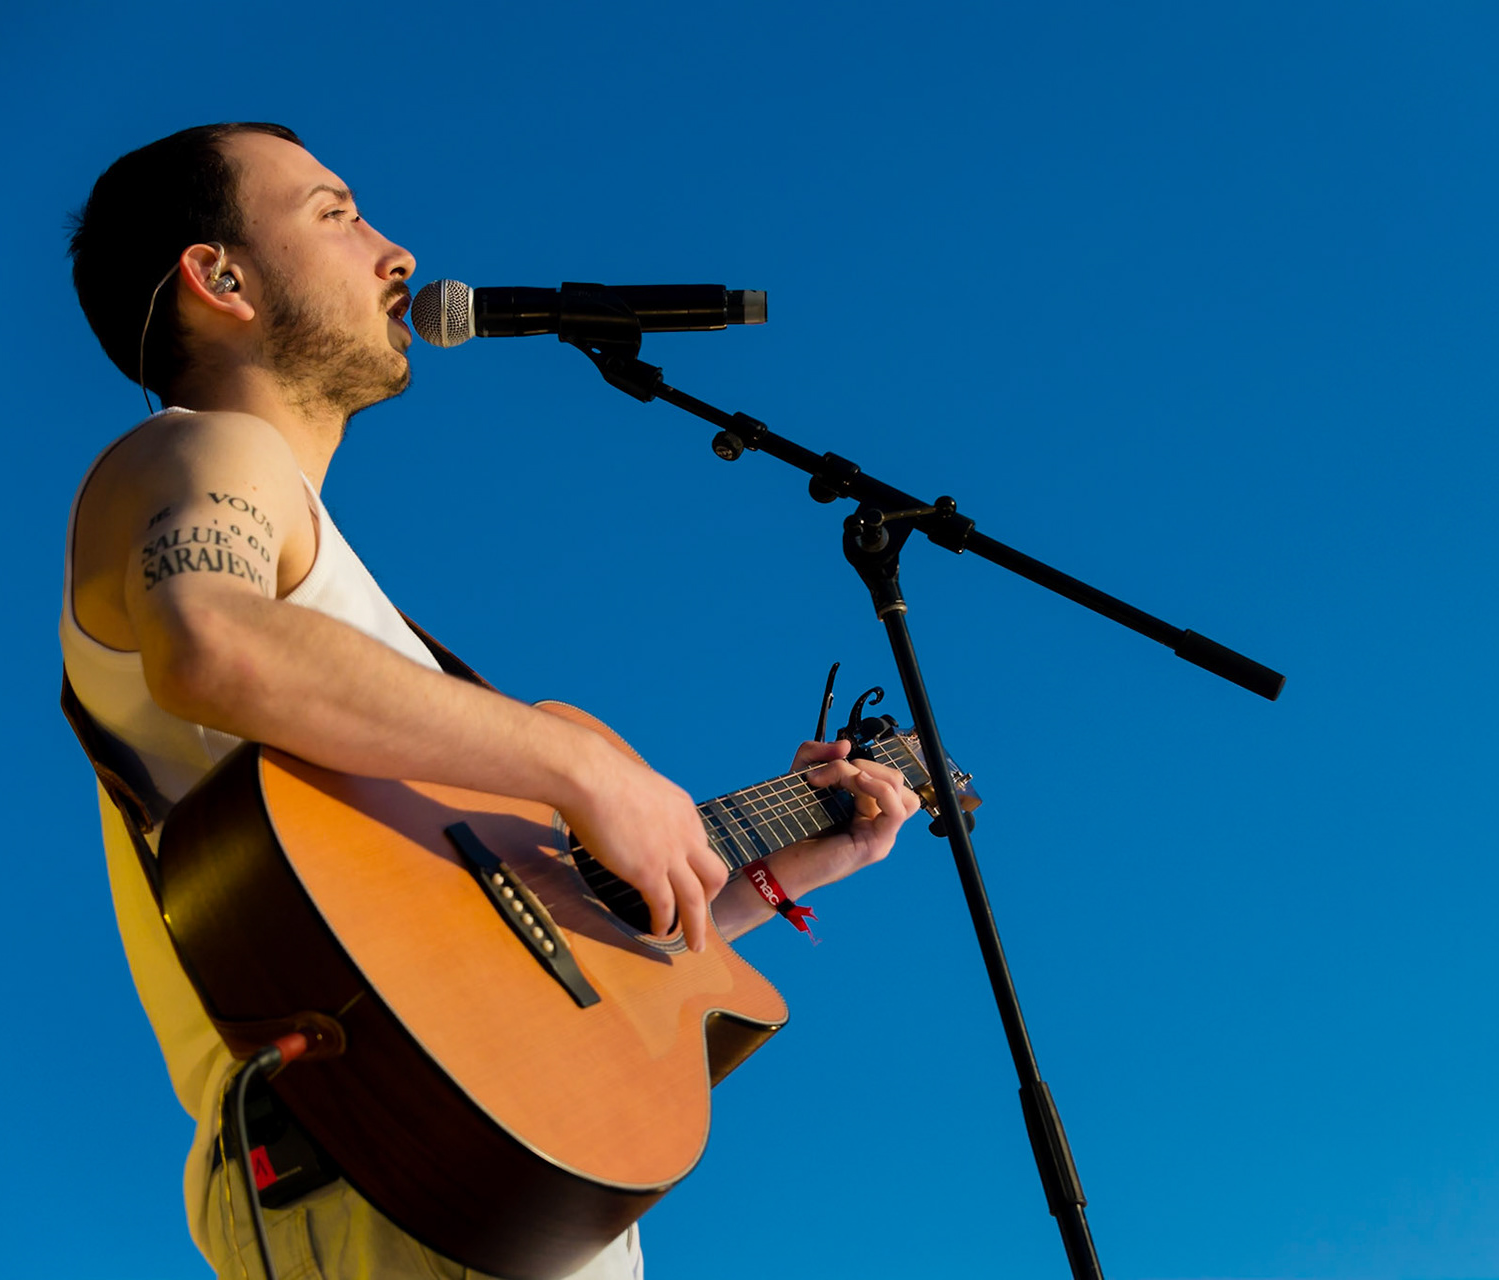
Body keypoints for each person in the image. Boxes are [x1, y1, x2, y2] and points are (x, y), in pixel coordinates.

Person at [60, 122, 918, 1280]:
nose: (397, 251)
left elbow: (516, 960)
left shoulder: (363, 646)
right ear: (220, 278)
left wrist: (771, 871)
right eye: (334, 213)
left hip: (467, 1166)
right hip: (367, 1156)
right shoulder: (202, 451)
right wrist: (584, 766)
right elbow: (210, 640)